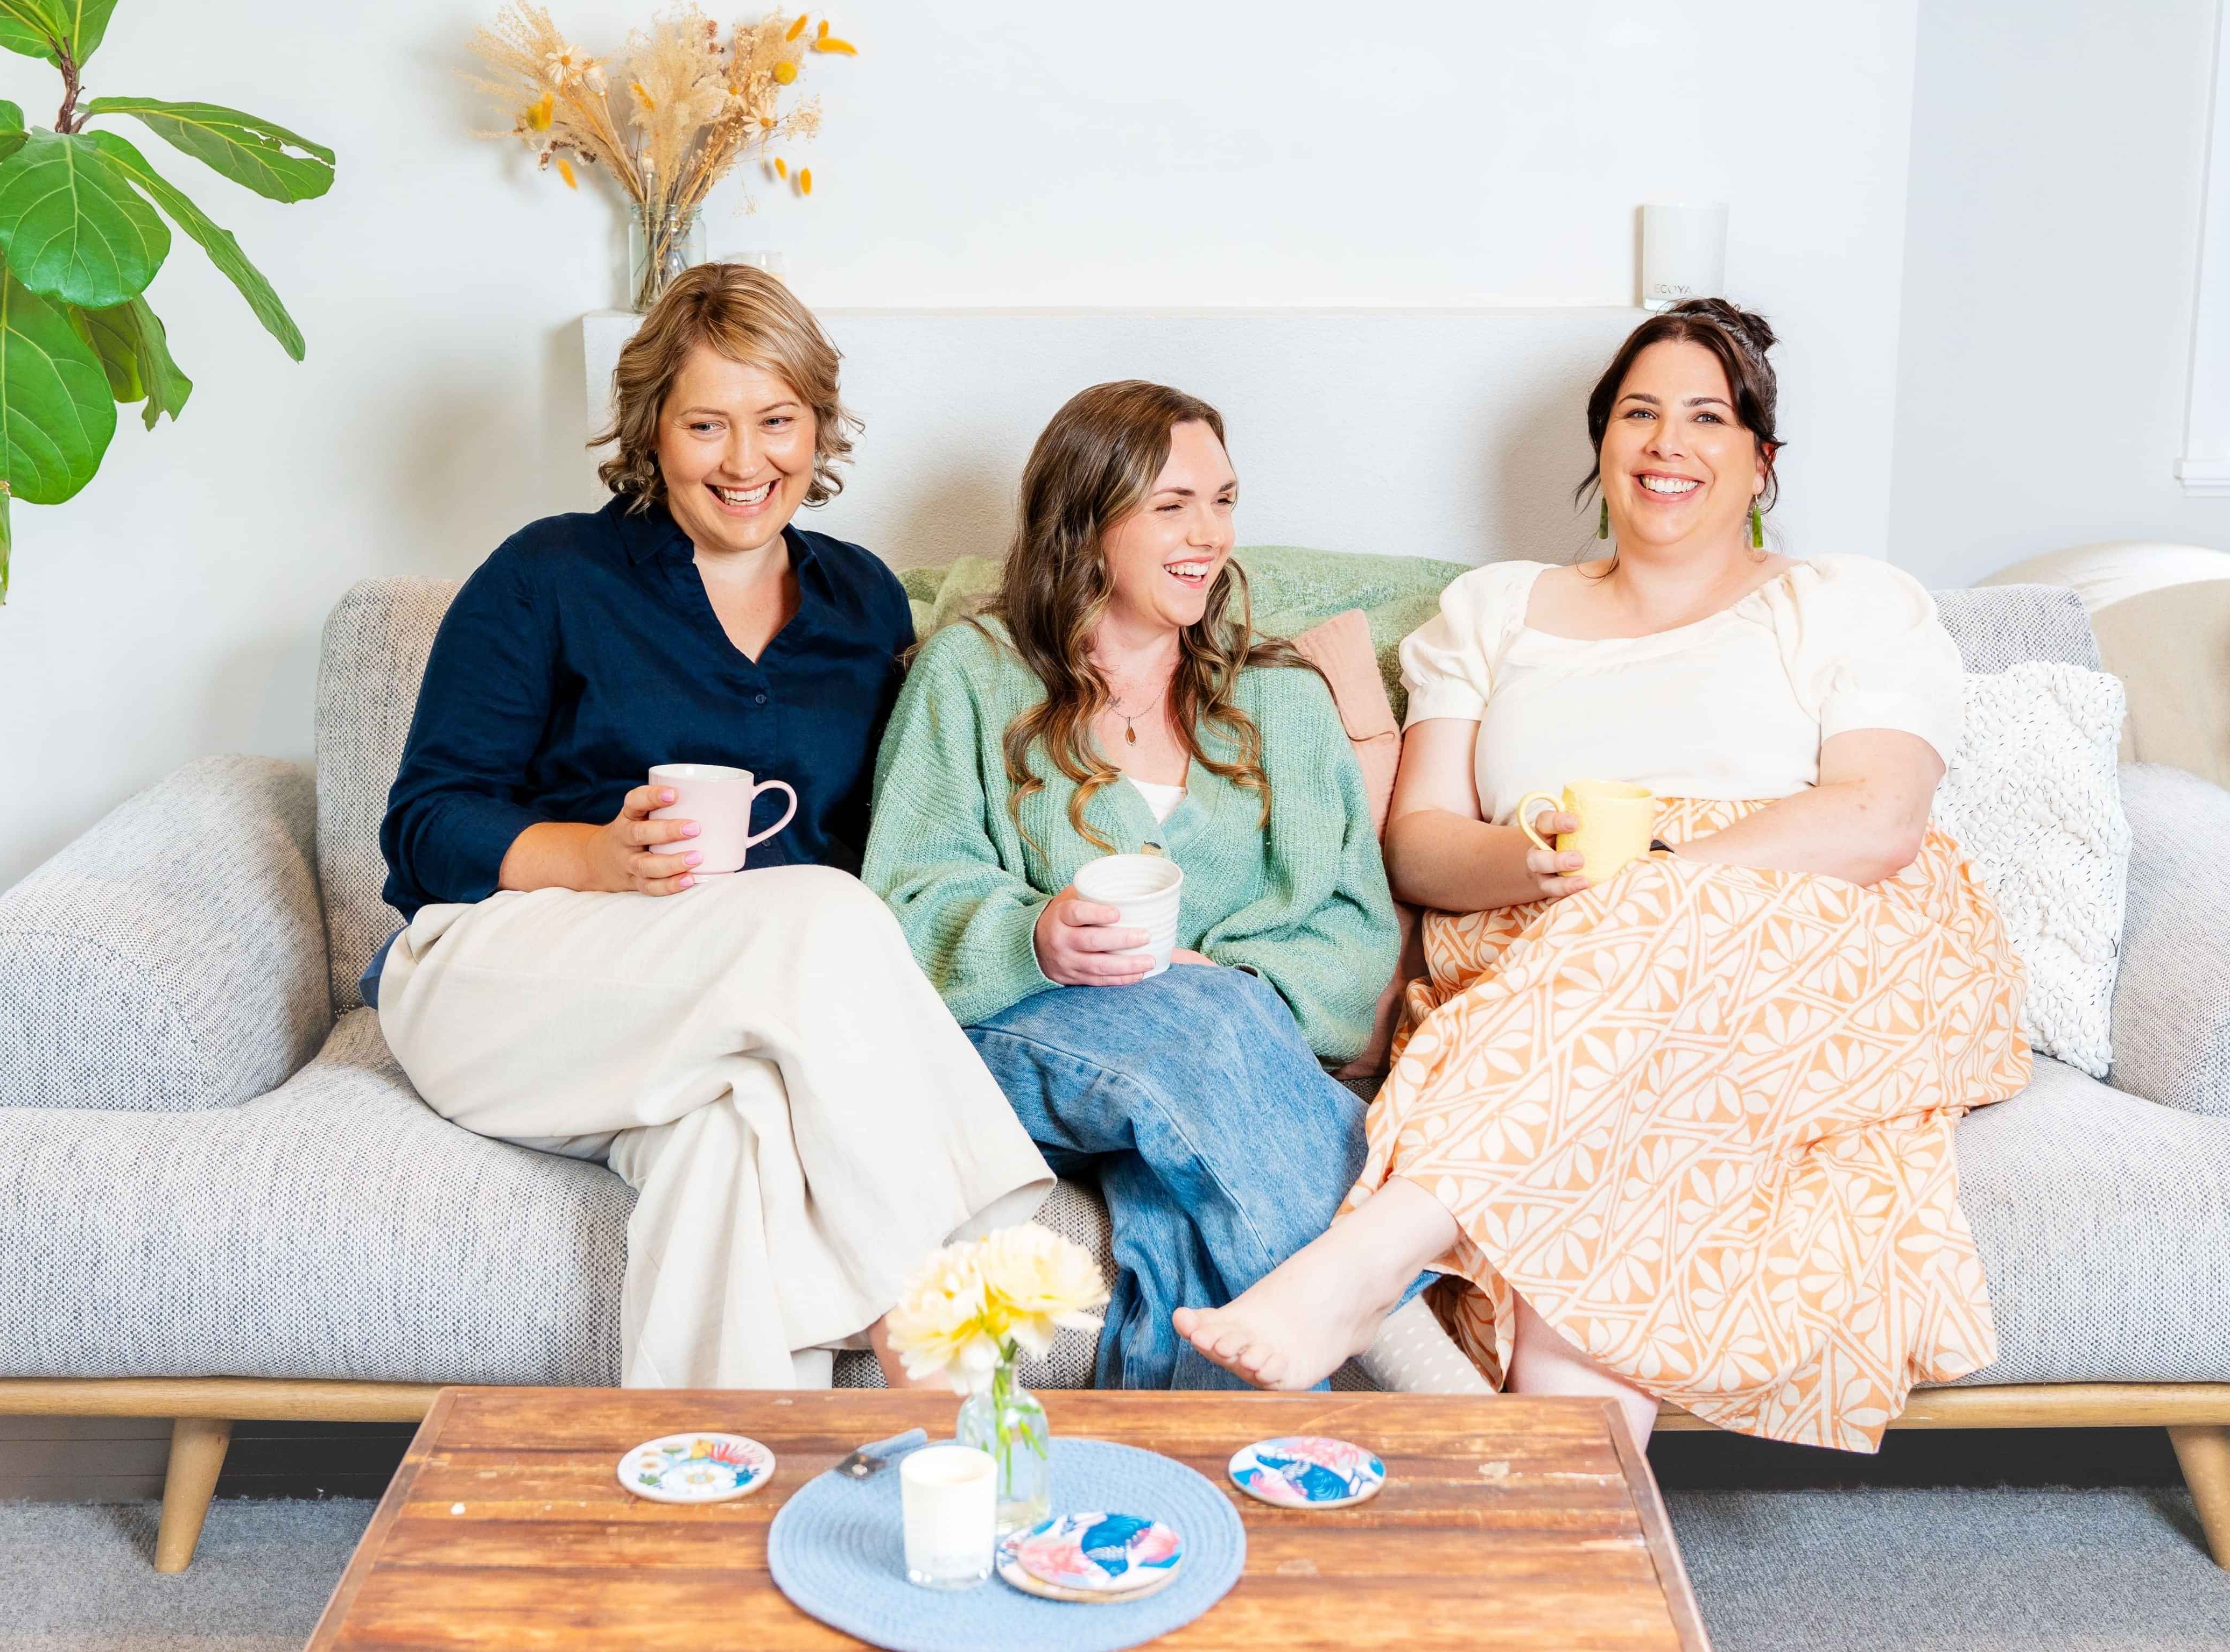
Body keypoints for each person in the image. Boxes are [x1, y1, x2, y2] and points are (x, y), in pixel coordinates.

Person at [1173, 300, 2032, 1452]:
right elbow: (1421, 843)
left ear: (1762, 461)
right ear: (1601, 447)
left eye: (1706, 418)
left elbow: (1877, 819)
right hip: (1559, 959)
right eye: (1638, 413)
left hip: (1819, 942)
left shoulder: (1845, 603)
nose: (1666, 443)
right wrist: (1521, 855)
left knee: (1641, 948)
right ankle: (1574, 1536)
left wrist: (1660, 876)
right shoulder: (1494, 611)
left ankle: (1374, 1254)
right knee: (1599, 1193)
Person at [368, 264, 1049, 1392]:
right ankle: (940, 1319)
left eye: (777, 419)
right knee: (826, 918)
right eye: (706, 425)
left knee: (728, 1138)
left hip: (726, 1016)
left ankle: (709, 1496)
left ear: (819, 424)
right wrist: (593, 856)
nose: (747, 461)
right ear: (650, 431)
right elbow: (422, 830)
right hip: (510, 983)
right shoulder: (549, 574)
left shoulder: (862, 601)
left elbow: (884, 828)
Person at [863, 380, 1402, 1390]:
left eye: (1225, 501)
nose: (1211, 534)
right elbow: (901, 896)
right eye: (1173, 506)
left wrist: (1224, 979)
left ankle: (1194, 1501)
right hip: (1014, 1049)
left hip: (1213, 1080)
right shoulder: (971, 676)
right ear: (1087, 521)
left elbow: (1354, 930)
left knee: (1184, 1232)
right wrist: (1035, 937)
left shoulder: (1282, 702)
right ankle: (1387, 1313)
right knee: (1201, 1023)